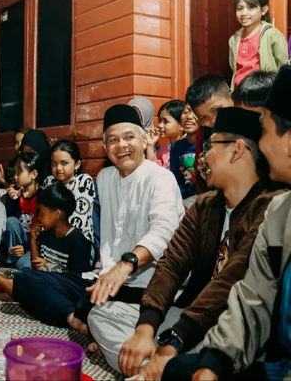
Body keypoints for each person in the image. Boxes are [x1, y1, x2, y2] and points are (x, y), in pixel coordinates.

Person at [105, 107, 283, 380]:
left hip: (229, 325)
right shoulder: (205, 204)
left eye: (210, 147)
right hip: (188, 314)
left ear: (236, 150)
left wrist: (173, 342)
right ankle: (151, 367)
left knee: (200, 361)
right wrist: (146, 328)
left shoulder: (271, 207)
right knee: (103, 315)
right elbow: (172, 264)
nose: (202, 158)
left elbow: (232, 283)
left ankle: (162, 367)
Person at [162, 66, 291, 381]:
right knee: (181, 370)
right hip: (277, 361)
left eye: (262, 130)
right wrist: (214, 363)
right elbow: (252, 298)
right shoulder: (280, 211)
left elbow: (231, 281)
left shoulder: (266, 204)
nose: (255, 143)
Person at [11, 105, 184, 333]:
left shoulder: (161, 178)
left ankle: (89, 317)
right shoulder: (105, 177)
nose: (121, 145)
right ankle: (74, 318)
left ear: (143, 141)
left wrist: (125, 266)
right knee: (25, 280)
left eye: (129, 137)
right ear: (105, 147)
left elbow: (163, 232)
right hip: (103, 279)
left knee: (95, 311)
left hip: (146, 284)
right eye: (113, 140)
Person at [0, 182, 93, 297]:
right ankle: (27, 295)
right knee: (0, 274)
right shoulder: (46, 233)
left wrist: (51, 267)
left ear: (57, 214)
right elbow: (35, 265)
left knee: (32, 281)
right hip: (41, 280)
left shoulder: (78, 241)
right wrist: (33, 239)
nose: (39, 217)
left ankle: (25, 295)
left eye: (42, 213)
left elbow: (77, 279)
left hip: (63, 287)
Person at [229, 0, 288, 89]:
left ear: (264, 10)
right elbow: (235, 69)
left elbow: (284, 67)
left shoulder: (273, 35)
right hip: (240, 93)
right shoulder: (234, 39)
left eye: (251, 7)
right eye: (240, 8)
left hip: (263, 94)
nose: (244, 13)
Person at [185, 74, 234, 194]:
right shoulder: (203, 136)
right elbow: (200, 186)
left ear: (232, 98)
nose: (213, 120)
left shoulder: (249, 125)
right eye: (203, 117)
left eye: (217, 110)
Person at [43, 140, 95, 245]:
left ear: (77, 164)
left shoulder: (84, 181)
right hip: (51, 241)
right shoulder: (48, 181)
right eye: (54, 163)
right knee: (24, 262)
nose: (58, 168)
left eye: (64, 163)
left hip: (79, 243)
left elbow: (78, 219)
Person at [2, 152, 43, 269]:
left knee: (24, 266)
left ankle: (18, 266)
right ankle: (11, 261)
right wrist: (14, 201)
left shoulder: (43, 196)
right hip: (15, 247)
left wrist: (27, 247)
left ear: (34, 174)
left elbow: (45, 231)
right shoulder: (14, 195)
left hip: (34, 246)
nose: (15, 176)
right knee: (10, 221)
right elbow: (8, 226)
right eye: (15, 172)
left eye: (19, 171)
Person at [170, 104, 199, 206]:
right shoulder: (175, 147)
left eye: (194, 112)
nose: (189, 116)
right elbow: (175, 178)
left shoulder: (208, 144)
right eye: (186, 112)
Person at [146, 101, 185, 169]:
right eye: (159, 121)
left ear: (181, 124)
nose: (159, 125)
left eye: (165, 121)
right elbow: (153, 170)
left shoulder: (188, 148)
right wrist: (150, 145)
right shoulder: (164, 148)